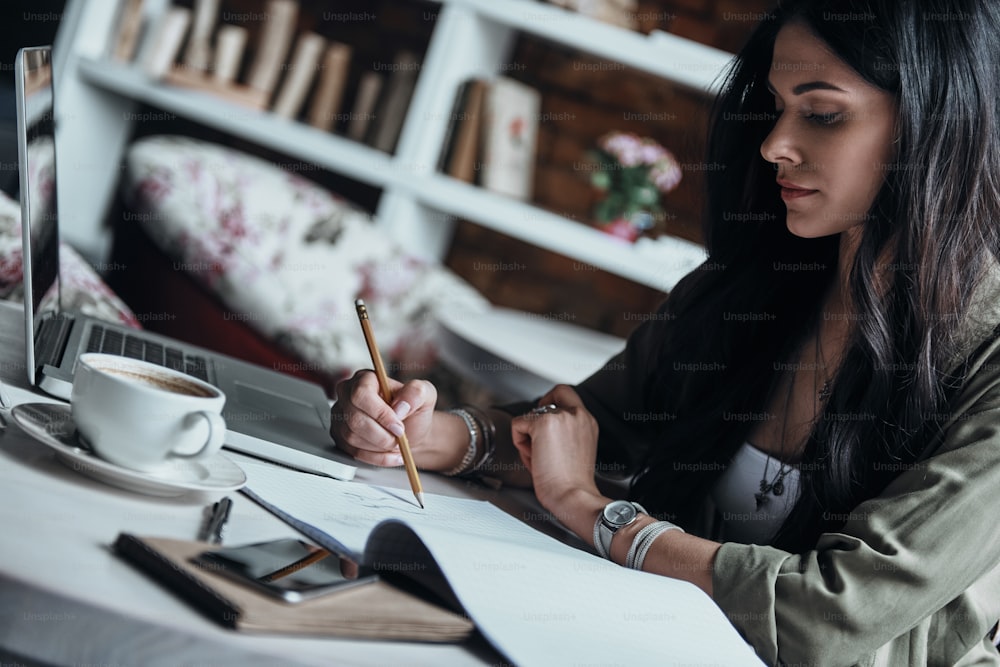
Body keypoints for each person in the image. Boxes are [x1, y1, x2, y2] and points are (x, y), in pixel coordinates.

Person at [330, 0, 1000, 664]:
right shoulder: (758, 281)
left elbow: (828, 611)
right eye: (776, 106)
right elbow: (592, 426)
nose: (774, 145)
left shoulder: (988, 363)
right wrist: (435, 435)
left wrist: (596, 513)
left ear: (938, 125)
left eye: (822, 114)